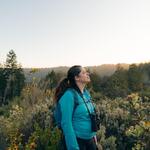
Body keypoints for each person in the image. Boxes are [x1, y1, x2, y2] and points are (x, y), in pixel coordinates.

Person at [54, 65, 98, 150]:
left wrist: (94, 137)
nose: (87, 73)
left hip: (90, 140)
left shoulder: (86, 93)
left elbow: (89, 115)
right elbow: (66, 123)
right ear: (77, 78)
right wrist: (73, 147)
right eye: (84, 72)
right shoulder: (69, 95)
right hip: (78, 141)